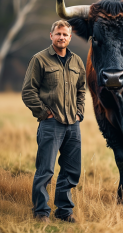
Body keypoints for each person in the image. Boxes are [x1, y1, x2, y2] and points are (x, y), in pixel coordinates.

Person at [22, 20, 86, 223]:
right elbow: (28, 92)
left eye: (65, 34)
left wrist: (79, 113)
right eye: (58, 34)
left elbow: (81, 90)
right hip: (51, 124)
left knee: (71, 169)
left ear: (70, 37)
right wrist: (43, 113)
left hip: (72, 125)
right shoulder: (39, 59)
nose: (61, 37)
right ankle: (41, 212)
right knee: (45, 170)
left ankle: (64, 211)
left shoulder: (77, 61)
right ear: (51, 36)